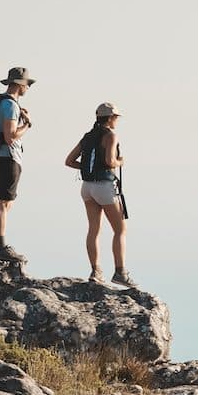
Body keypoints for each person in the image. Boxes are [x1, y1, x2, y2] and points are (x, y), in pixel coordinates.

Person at [65, 102, 136, 286]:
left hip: (87, 187)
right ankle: (120, 272)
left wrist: (89, 167)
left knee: (93, 229)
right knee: (120, 230)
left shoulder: (88, 136)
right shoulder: (111, 135)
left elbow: (70, 161)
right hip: (105, 187)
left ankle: (96, 271)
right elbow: (110, 161)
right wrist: (120, 162)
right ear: (111, 118)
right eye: (116, 118)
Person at [0, 67, 34, 262]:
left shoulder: (2, 102)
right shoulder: (11, 106)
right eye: (27, 85)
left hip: (0, 155)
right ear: (19, 85)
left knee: (6, 201)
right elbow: (10, 136)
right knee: (3, 201)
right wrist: (27, 125)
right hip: (7, 156)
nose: (28, 89)